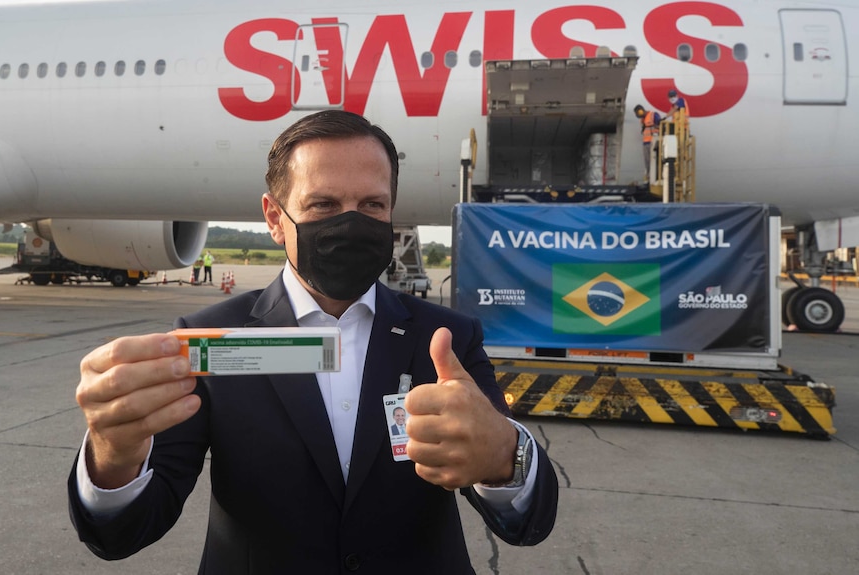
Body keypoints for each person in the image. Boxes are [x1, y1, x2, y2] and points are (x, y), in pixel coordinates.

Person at [67, 110, 559, 573]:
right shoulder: (213, 341)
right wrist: (114, 454)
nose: (352, 223)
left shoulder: (445, 339)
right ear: (275, 218)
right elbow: (124, 533)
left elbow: (526, 521)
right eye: (323, 204)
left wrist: (504, 454)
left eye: (372, 205)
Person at [634, 104, 660, 181]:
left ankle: (654, 177)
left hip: (654, 142)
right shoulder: (642, 120)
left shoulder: (653, 115)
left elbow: (661, 125)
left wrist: (655, 126)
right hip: (646, 143)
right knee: (647, 161)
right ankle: (649, 176)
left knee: (654, 161)